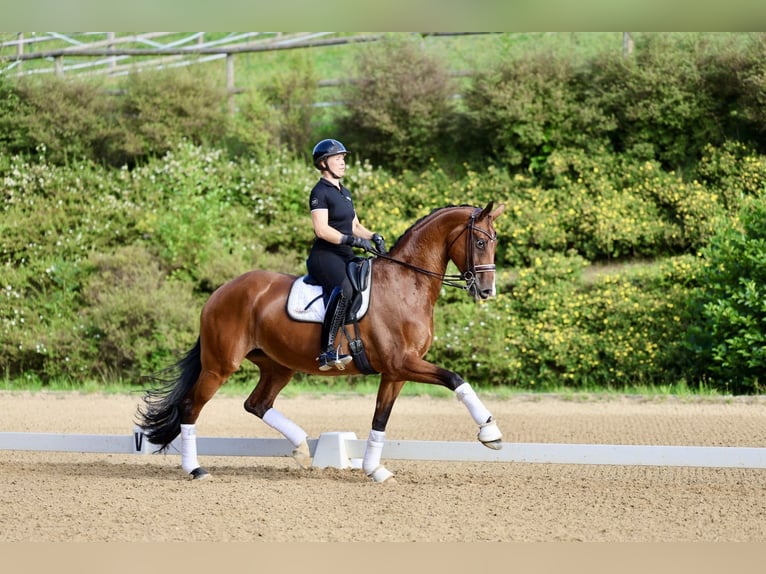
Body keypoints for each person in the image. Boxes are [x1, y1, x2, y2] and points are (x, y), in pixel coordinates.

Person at [306, 138, 387, 371]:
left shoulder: (345, 192)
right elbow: (321, 230)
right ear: (323, 164)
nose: (343, 162)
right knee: (344, 290)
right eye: (337, 158)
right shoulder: (319, 192)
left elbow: (354, 226)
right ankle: (327, 350)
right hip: (325, 255)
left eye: (343, 158)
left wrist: (373, 236)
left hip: (344, 253)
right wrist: (351, 240)